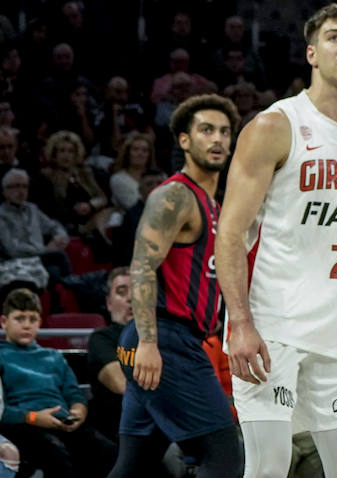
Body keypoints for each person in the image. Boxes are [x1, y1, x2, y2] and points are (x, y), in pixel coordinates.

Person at [216, 3, 337, 478]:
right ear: (312, 54)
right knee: (268, 469)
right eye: (336, 37)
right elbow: (230, 234)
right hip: (273, 331)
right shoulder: (275, 126)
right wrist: (240, 323)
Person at [106, 93, 242, 478]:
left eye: (224, 132)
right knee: (224, 456)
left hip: (161, 341)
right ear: (184, 140)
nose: (217, 139)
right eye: (206, 130)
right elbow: (142, 268)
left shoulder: (215, 204)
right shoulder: (175, 195)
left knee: (135, 465)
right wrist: (149, 343)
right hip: (162, 342)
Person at [0, 284, 116, 475]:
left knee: (109, 453)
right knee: (56, 455)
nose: (27, 325)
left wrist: (78, 413)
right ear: (4, 322)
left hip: (62, 421)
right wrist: (33, 417)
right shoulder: (2, 355)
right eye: (19, 319)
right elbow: (1, 410)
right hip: (23, 424)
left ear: (39, 322)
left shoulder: (54, 357)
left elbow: (74, 394)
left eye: (32, 319)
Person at [86, 266, 134, 444]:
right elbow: (122, 385)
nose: (131, 298)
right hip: (117, 428)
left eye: (138, 291)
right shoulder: (101, 338)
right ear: (109, 303)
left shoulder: (160, 336)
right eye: (122, 292)